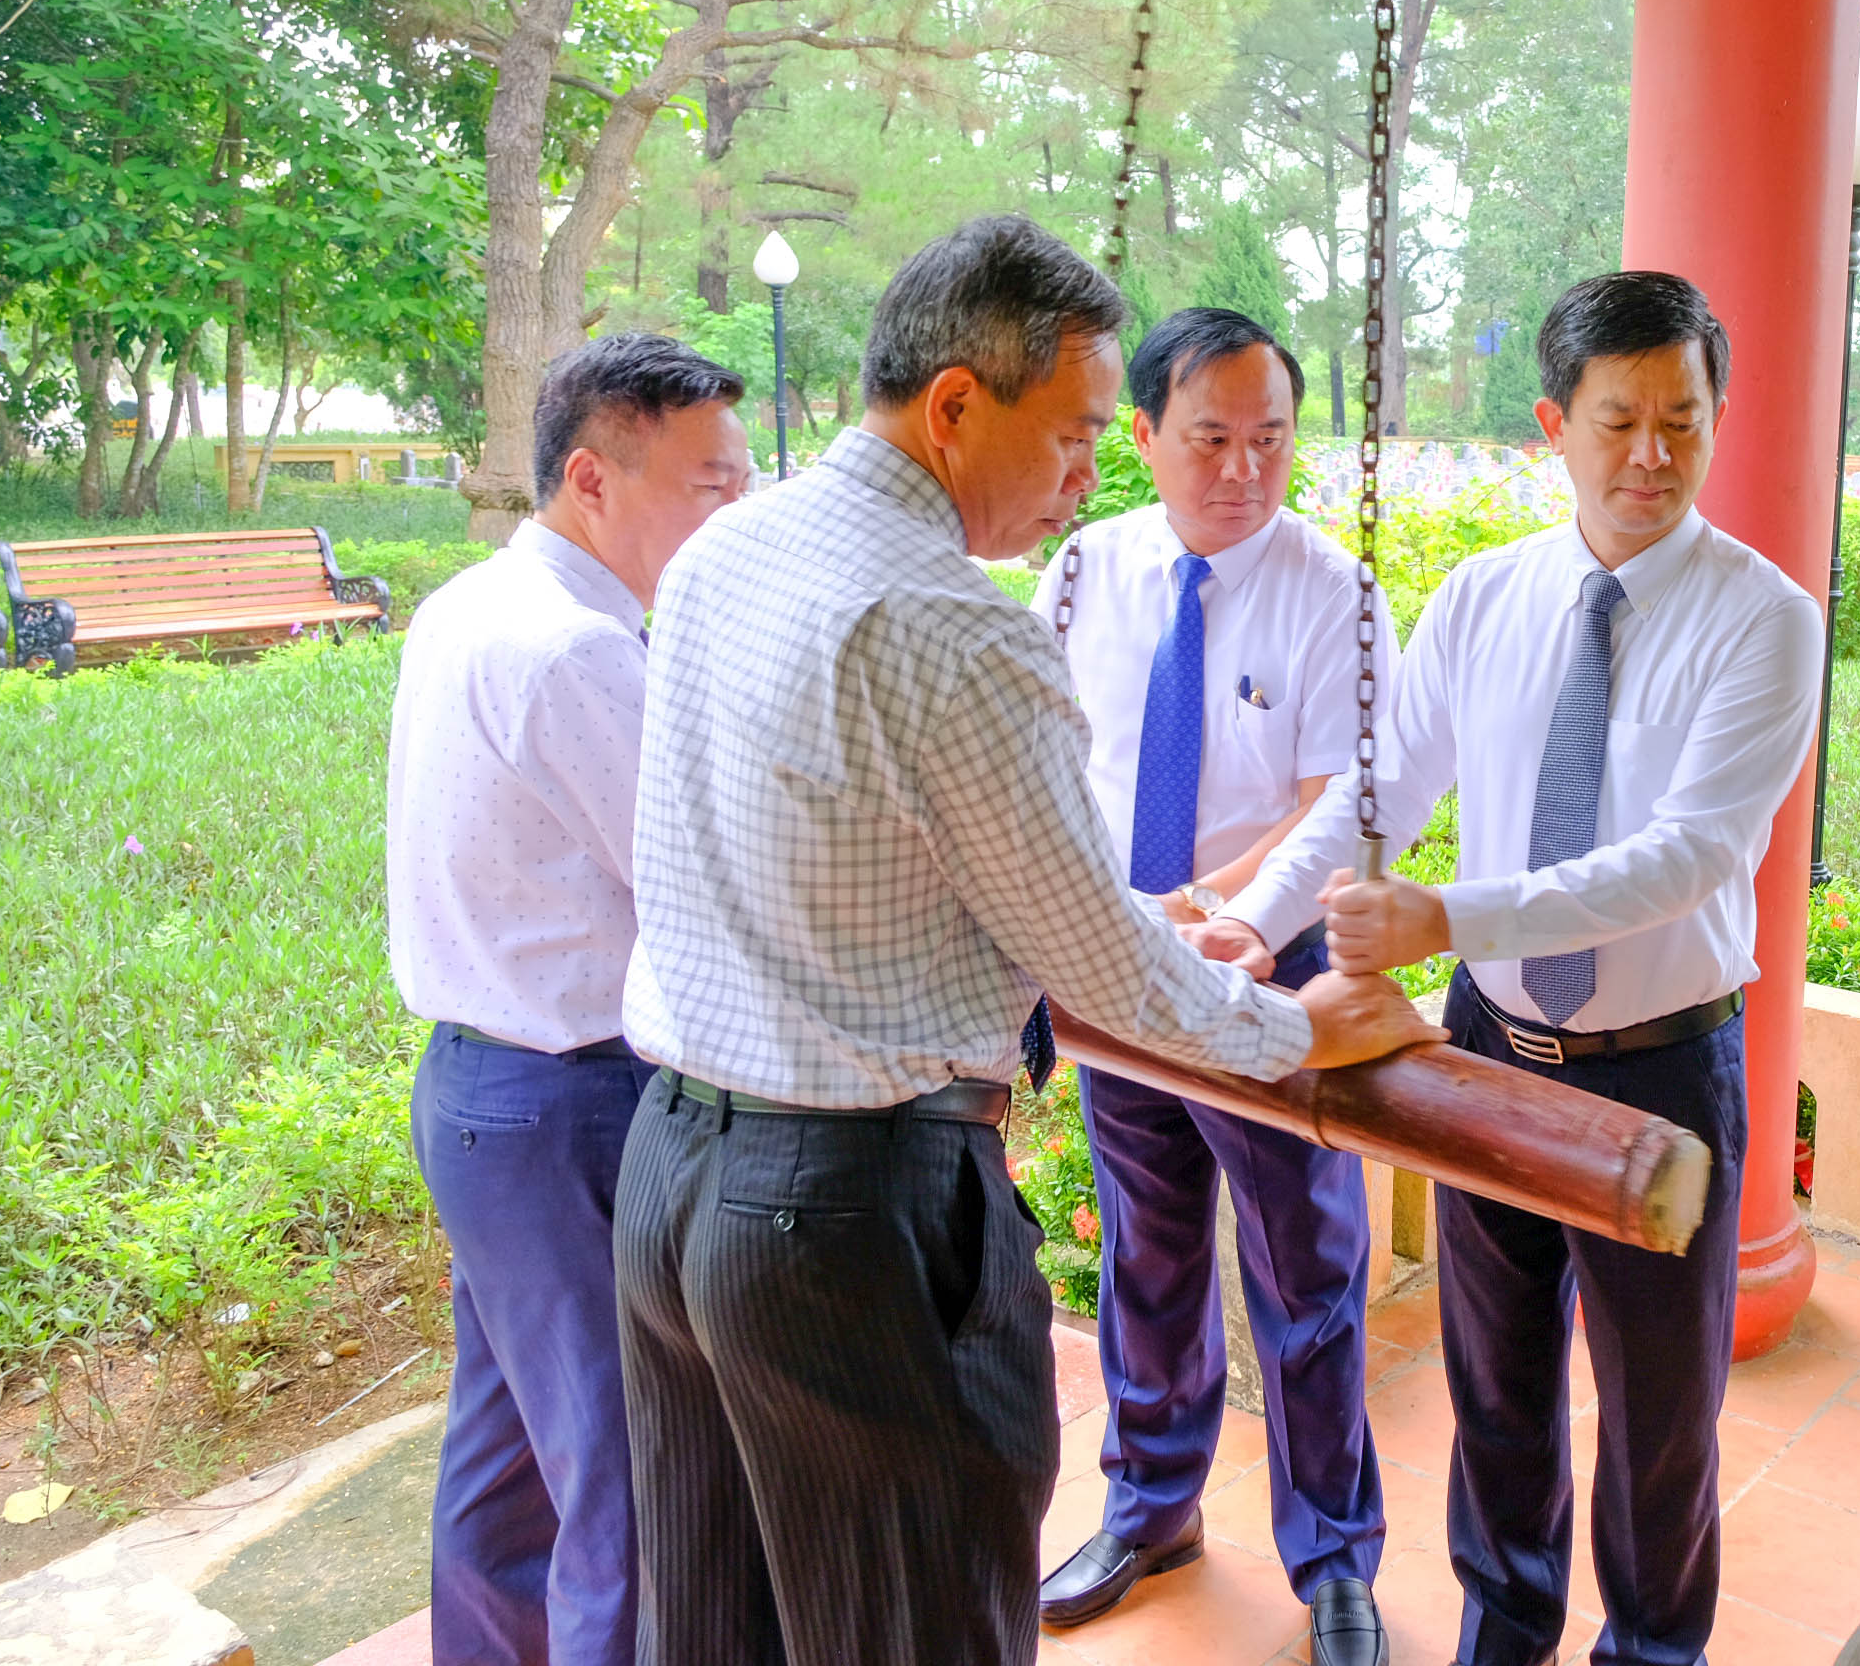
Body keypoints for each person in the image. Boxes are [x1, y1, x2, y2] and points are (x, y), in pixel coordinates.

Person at [610, 214, 1440, 1666]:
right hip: (844, 1210)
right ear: (951, 408)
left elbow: (920, 851)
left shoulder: (725, 551)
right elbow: (1099, 966)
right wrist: (1305, 1029)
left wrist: (1200, 926)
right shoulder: (956, 621)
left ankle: (1328, 1553)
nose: (1084, 471)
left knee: (719, 1616)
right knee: (914, 1619)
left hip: (675, 1171)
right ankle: (1153, 1499)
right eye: (1070, 433)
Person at [1192, 271, 1823, 1666]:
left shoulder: (1763, 620)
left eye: (1683, 418)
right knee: (1498, 1380)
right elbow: (1380, 786)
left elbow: (1692, 854)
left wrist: (1446, 920)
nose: (1652, 454)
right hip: (1483, 1044)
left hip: (1661, 1065)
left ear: (1717, 420)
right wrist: (1260, 915)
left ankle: (1653, 1648)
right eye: (1619, 421)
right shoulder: (1484, 599)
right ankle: (1508, 1621)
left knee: (1661, 1410)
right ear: (1556, 423)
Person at [1028, 308, 1387, 1666]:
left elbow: (1341, 803)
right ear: (1144, 436)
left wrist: (1227, 915)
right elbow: (1043, 764)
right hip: (1119, 969)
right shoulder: (1080, 571)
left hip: (1265, 977)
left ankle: (1336, 1561)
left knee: (1307, 1273)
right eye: (1211, 438)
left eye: (1271, 438)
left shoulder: (1334, 592)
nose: (1244, 467)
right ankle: (1150, 1505)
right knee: (1149, 1250)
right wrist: (1129, 917)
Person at [387, 334, 751, 1666]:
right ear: (594, 479)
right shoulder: (575, 655)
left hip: (480, 1095)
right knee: (630, 1492)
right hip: (574, 1101)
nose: (735, 513)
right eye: (709, 484)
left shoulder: (471, 605)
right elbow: (709, 883)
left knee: (508, 1468)